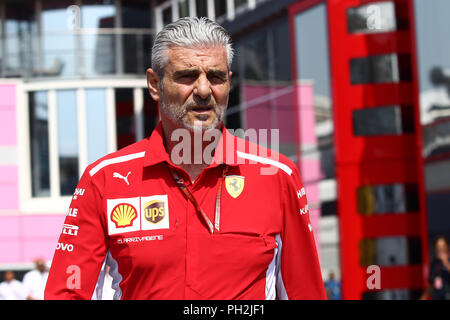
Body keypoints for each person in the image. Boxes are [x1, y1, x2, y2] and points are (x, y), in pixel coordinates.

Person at [45, 17, 325, 300]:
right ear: (155, 84)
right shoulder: (103, 180)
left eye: (215, 77)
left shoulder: (278, 176)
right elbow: (67, 292)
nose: (204, 91)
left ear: (228, 83)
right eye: (187, 76)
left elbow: (305, 292)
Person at [421, 235, 450, 300]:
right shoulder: (434, 263)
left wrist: (445, 262)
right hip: (438, 296)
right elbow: (431, 283)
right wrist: (423, 297)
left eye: (442, 246)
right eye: (438, 247)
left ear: (447, 247)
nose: (440, 249)